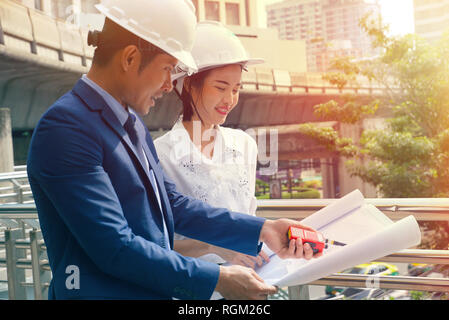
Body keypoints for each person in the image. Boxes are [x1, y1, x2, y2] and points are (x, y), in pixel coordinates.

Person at [27, 0, 319, 300]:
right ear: (130, 58)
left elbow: (172, 204)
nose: (170, 85)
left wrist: (263, 229)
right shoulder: (66, 128)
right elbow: (113, 246)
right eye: (168, 68)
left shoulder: (132, 123)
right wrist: (216, 278)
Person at [154, 22, 269, 276]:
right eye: (220, 87)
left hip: (251, 282)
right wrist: (214, 246)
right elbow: (155, 245)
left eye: (236, 89)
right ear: (188, 85)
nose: (229, 100)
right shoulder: (159, 155)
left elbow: (250, 220)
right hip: (196, 287)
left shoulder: (245, 145)